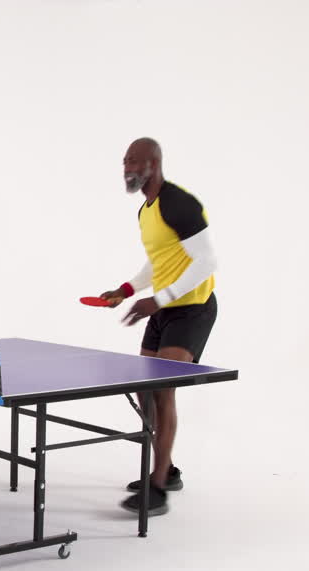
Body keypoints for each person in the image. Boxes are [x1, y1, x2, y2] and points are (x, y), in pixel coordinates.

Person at [98, 137, 219, 517]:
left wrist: (158, 300)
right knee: (146, 394)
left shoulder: (179, 202)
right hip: (164, 309)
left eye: (134, 161)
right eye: (124, 162)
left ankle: (158, 485)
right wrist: (128, 289)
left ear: (154, 162)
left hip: (192, 309)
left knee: (163, 391)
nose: (127, 168)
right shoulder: (145, 211)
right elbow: (160, 261)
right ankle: (168, 470)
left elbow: (206, 261)